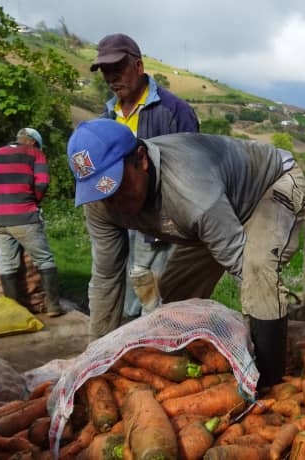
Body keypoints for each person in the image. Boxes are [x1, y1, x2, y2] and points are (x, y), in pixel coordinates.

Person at [67, 119, 305, 388]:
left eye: (115, 186)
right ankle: (199, 368)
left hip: (271, 186)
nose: (112, 202)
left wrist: (264, 324)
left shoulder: (190, 189)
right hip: (217, 208)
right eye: (99, 192)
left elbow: (242, 265)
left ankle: (274, 381)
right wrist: (96, 360)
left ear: (141, 159)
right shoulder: (102, 205)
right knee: (176, 299)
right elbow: (106, 279)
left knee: (258, 270)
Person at [91, 33, 200, 319]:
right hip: (120, 217)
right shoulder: (107, 116)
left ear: (138, 67)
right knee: (128, 291)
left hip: (161, 219)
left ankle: (162, 347)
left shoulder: (174, 111)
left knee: (159, 298)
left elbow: (193, 169)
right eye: (105, 71)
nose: (112, 77)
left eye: (119, 68)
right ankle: (129, 346)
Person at [0, 128, 65, 316]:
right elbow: (42, 182)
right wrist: (33, 202)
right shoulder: (35, 154)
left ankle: (14, 312)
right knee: (44, 259)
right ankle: (53, 306)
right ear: (34, 142)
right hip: (23, 215)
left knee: (6, 264)